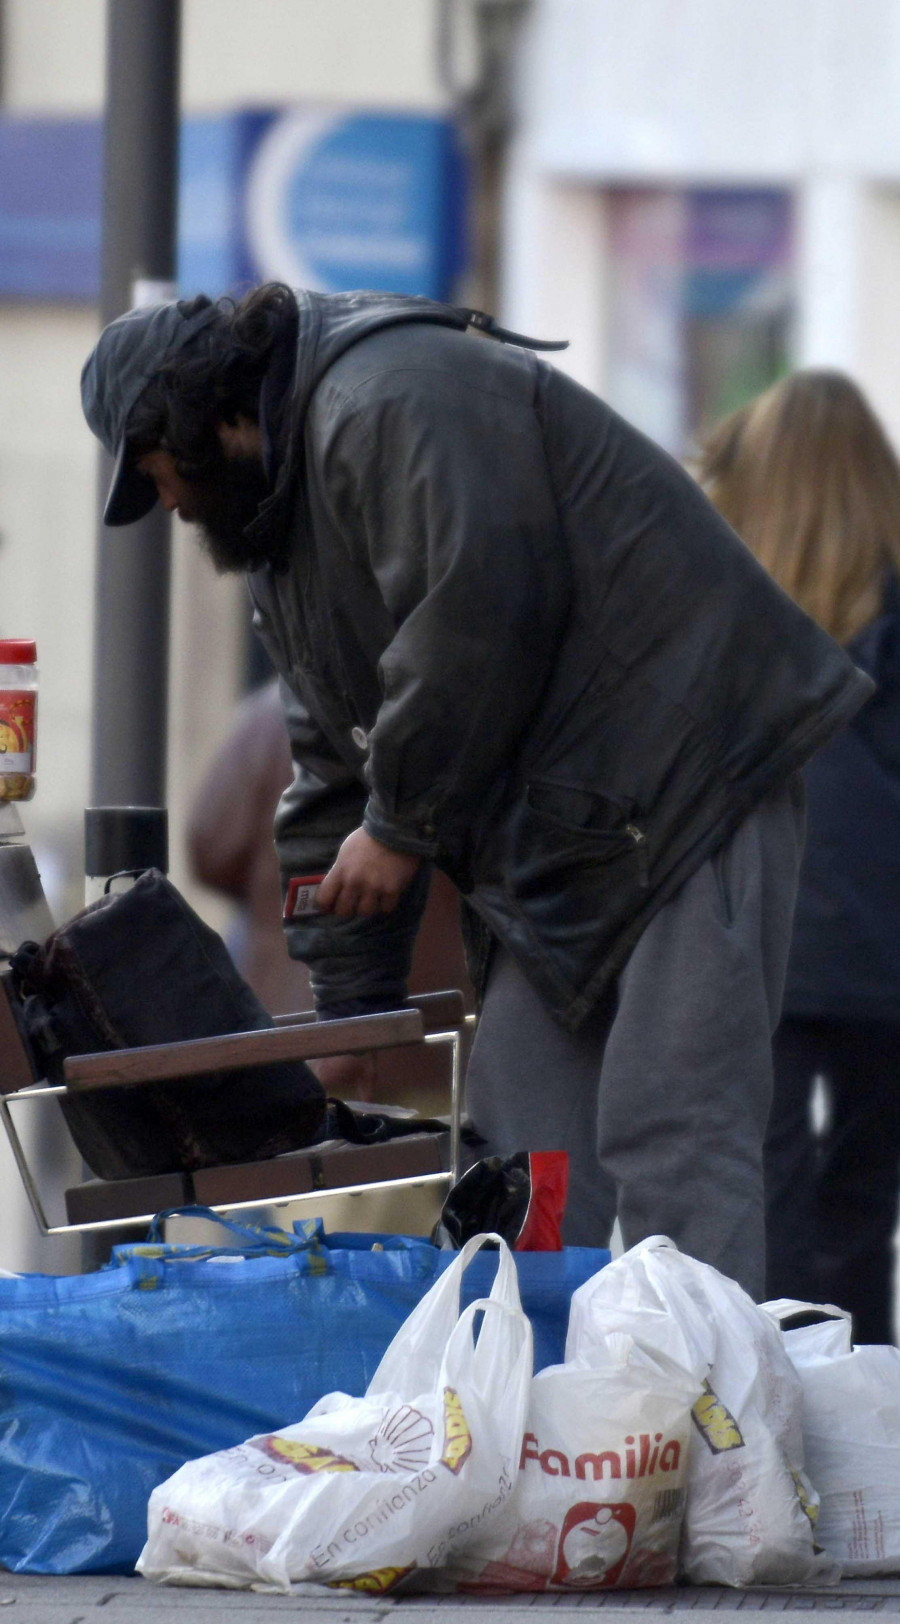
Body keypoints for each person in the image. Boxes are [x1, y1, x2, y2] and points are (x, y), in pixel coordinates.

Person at [80, 284, 871, 1297]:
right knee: (524, 1154)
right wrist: (353, 1013)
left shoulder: (390, 396)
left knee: (672, 1124)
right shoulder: (289, 541)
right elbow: (329, 766)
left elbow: (484, 606)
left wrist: (401, 823)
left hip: (687, 771)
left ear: (206, 421)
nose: (174, 508)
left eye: (159, 474)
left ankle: (716, 1432)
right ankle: (528, 1414)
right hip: (564, 830)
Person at [698, 370, 900, 1339]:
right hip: (886, 947)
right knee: (864, 1200)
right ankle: (870, 1416)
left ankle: (778, 1408)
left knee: (766, 1184)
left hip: (760, 931)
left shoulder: (727, 608)